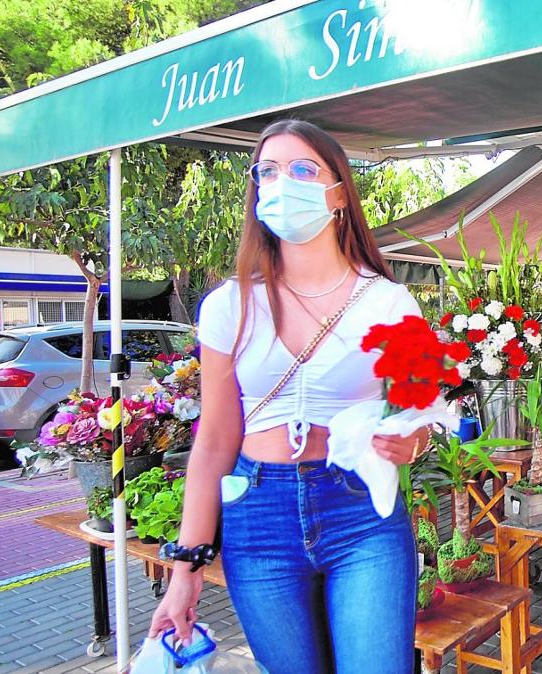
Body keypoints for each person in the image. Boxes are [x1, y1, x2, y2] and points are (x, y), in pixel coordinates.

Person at [149, 119, 427, 674]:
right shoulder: (229, 305)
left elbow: (416, 413)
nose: (283, 183)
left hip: (360, 512)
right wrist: (186, 569)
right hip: (259, 512)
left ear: (339, 192)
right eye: (268, 171)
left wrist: (413, 440)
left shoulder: (391, 303)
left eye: (303, 169)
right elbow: (215, 440)